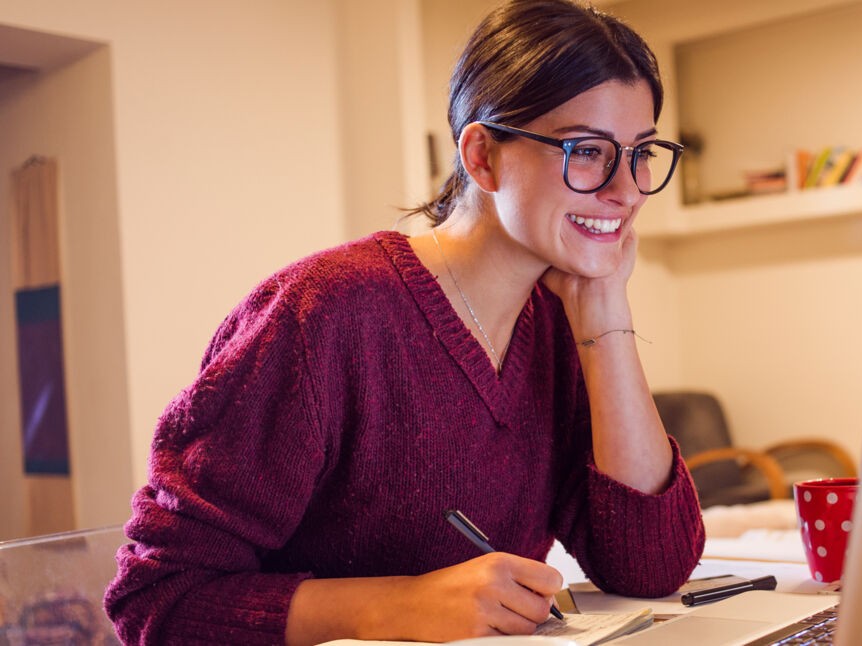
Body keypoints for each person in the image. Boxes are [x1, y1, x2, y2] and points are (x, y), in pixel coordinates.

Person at [104, 0, 704, 643]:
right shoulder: (324, 311)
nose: (628, 190)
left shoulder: (562, 321)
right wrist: (391, 606)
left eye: (642, 153)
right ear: (482, 157)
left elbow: (651, 568)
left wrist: (605, 309)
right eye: (587, 151)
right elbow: (157, 599)